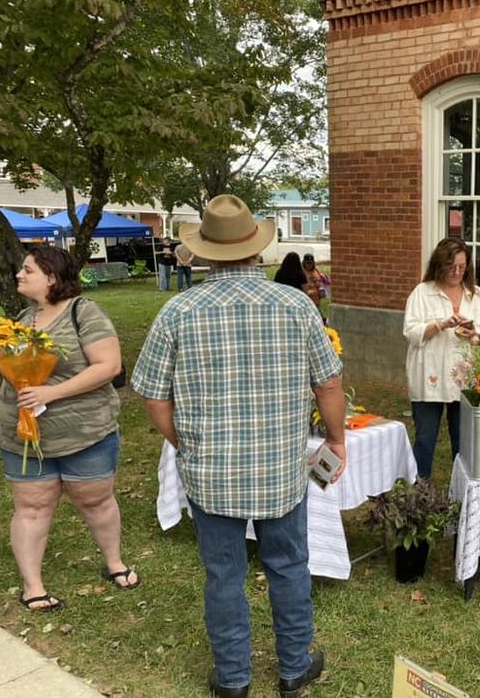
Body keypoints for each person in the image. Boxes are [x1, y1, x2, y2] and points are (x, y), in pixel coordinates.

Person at [131, 194, 346, 698]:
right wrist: (335, 438)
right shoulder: (296, 304)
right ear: (256, 248)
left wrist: (186, 443)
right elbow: (329, 386)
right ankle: (294, 669)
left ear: (204, 252)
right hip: (281, 471)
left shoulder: (177, 311)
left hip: (212, 474)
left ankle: (233, 680)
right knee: (289, 566)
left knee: (223, 576)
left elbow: (153, 397)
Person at [0, 246, 137, 613]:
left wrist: (51, 391)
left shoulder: (83, 313)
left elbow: (109, 366)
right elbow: (13, 380)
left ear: (52, 276)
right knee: (31, 507)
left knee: (95, 500)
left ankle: (115, 563)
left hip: (83, 431)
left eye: (27, 270)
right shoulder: (22, 319)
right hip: (24, 435)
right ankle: (33, 587)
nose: (18, 276)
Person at [403, 237, 480, 479]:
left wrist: (475, 336)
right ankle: (418, 497)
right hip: (429, 377)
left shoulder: (476, 296)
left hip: (463, 379)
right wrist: (441, 324)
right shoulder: (422, 293)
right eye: (451, 267)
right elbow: (411, 333)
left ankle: (461, 497)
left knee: (463, 442)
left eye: (462, 267)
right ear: (439, 265)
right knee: (424, 440)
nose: (457, 272)